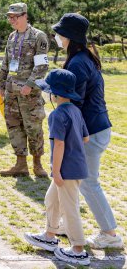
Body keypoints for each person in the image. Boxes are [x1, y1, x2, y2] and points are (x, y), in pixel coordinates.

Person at [52, 13, 123, 249]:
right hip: (96, 127)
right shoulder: (84, 58)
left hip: (91, 131)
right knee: (71, 179)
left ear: (69, 36)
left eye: (60, 33)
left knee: (87, 182)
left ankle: (109, 233)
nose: (57, 37)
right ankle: (62, 224)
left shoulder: (77, 63)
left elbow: (75, 101)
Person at [24, 69, 90, 266]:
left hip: (65, 170)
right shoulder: (76, 111)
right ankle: (49, 235)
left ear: (55, 94)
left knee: (70, 209)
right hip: (76, 166)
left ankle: (78, 249)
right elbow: (85, 138)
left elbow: (59, 144)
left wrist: (56, 171)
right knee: (52, 199)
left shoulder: (56, 115)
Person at [0, 2, 49, 178]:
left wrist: (30, 84)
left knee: (33, 126)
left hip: (30, 93)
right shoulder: (12, 37)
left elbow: (42, 65)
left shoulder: (38, 36)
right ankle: (20, 164)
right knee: (14, 125)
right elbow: (5, 63)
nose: (12, 20)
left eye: (15, 17)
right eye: (10, 17)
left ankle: (37, 164)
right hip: (12, 91)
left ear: (25, 16)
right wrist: (2, 85)